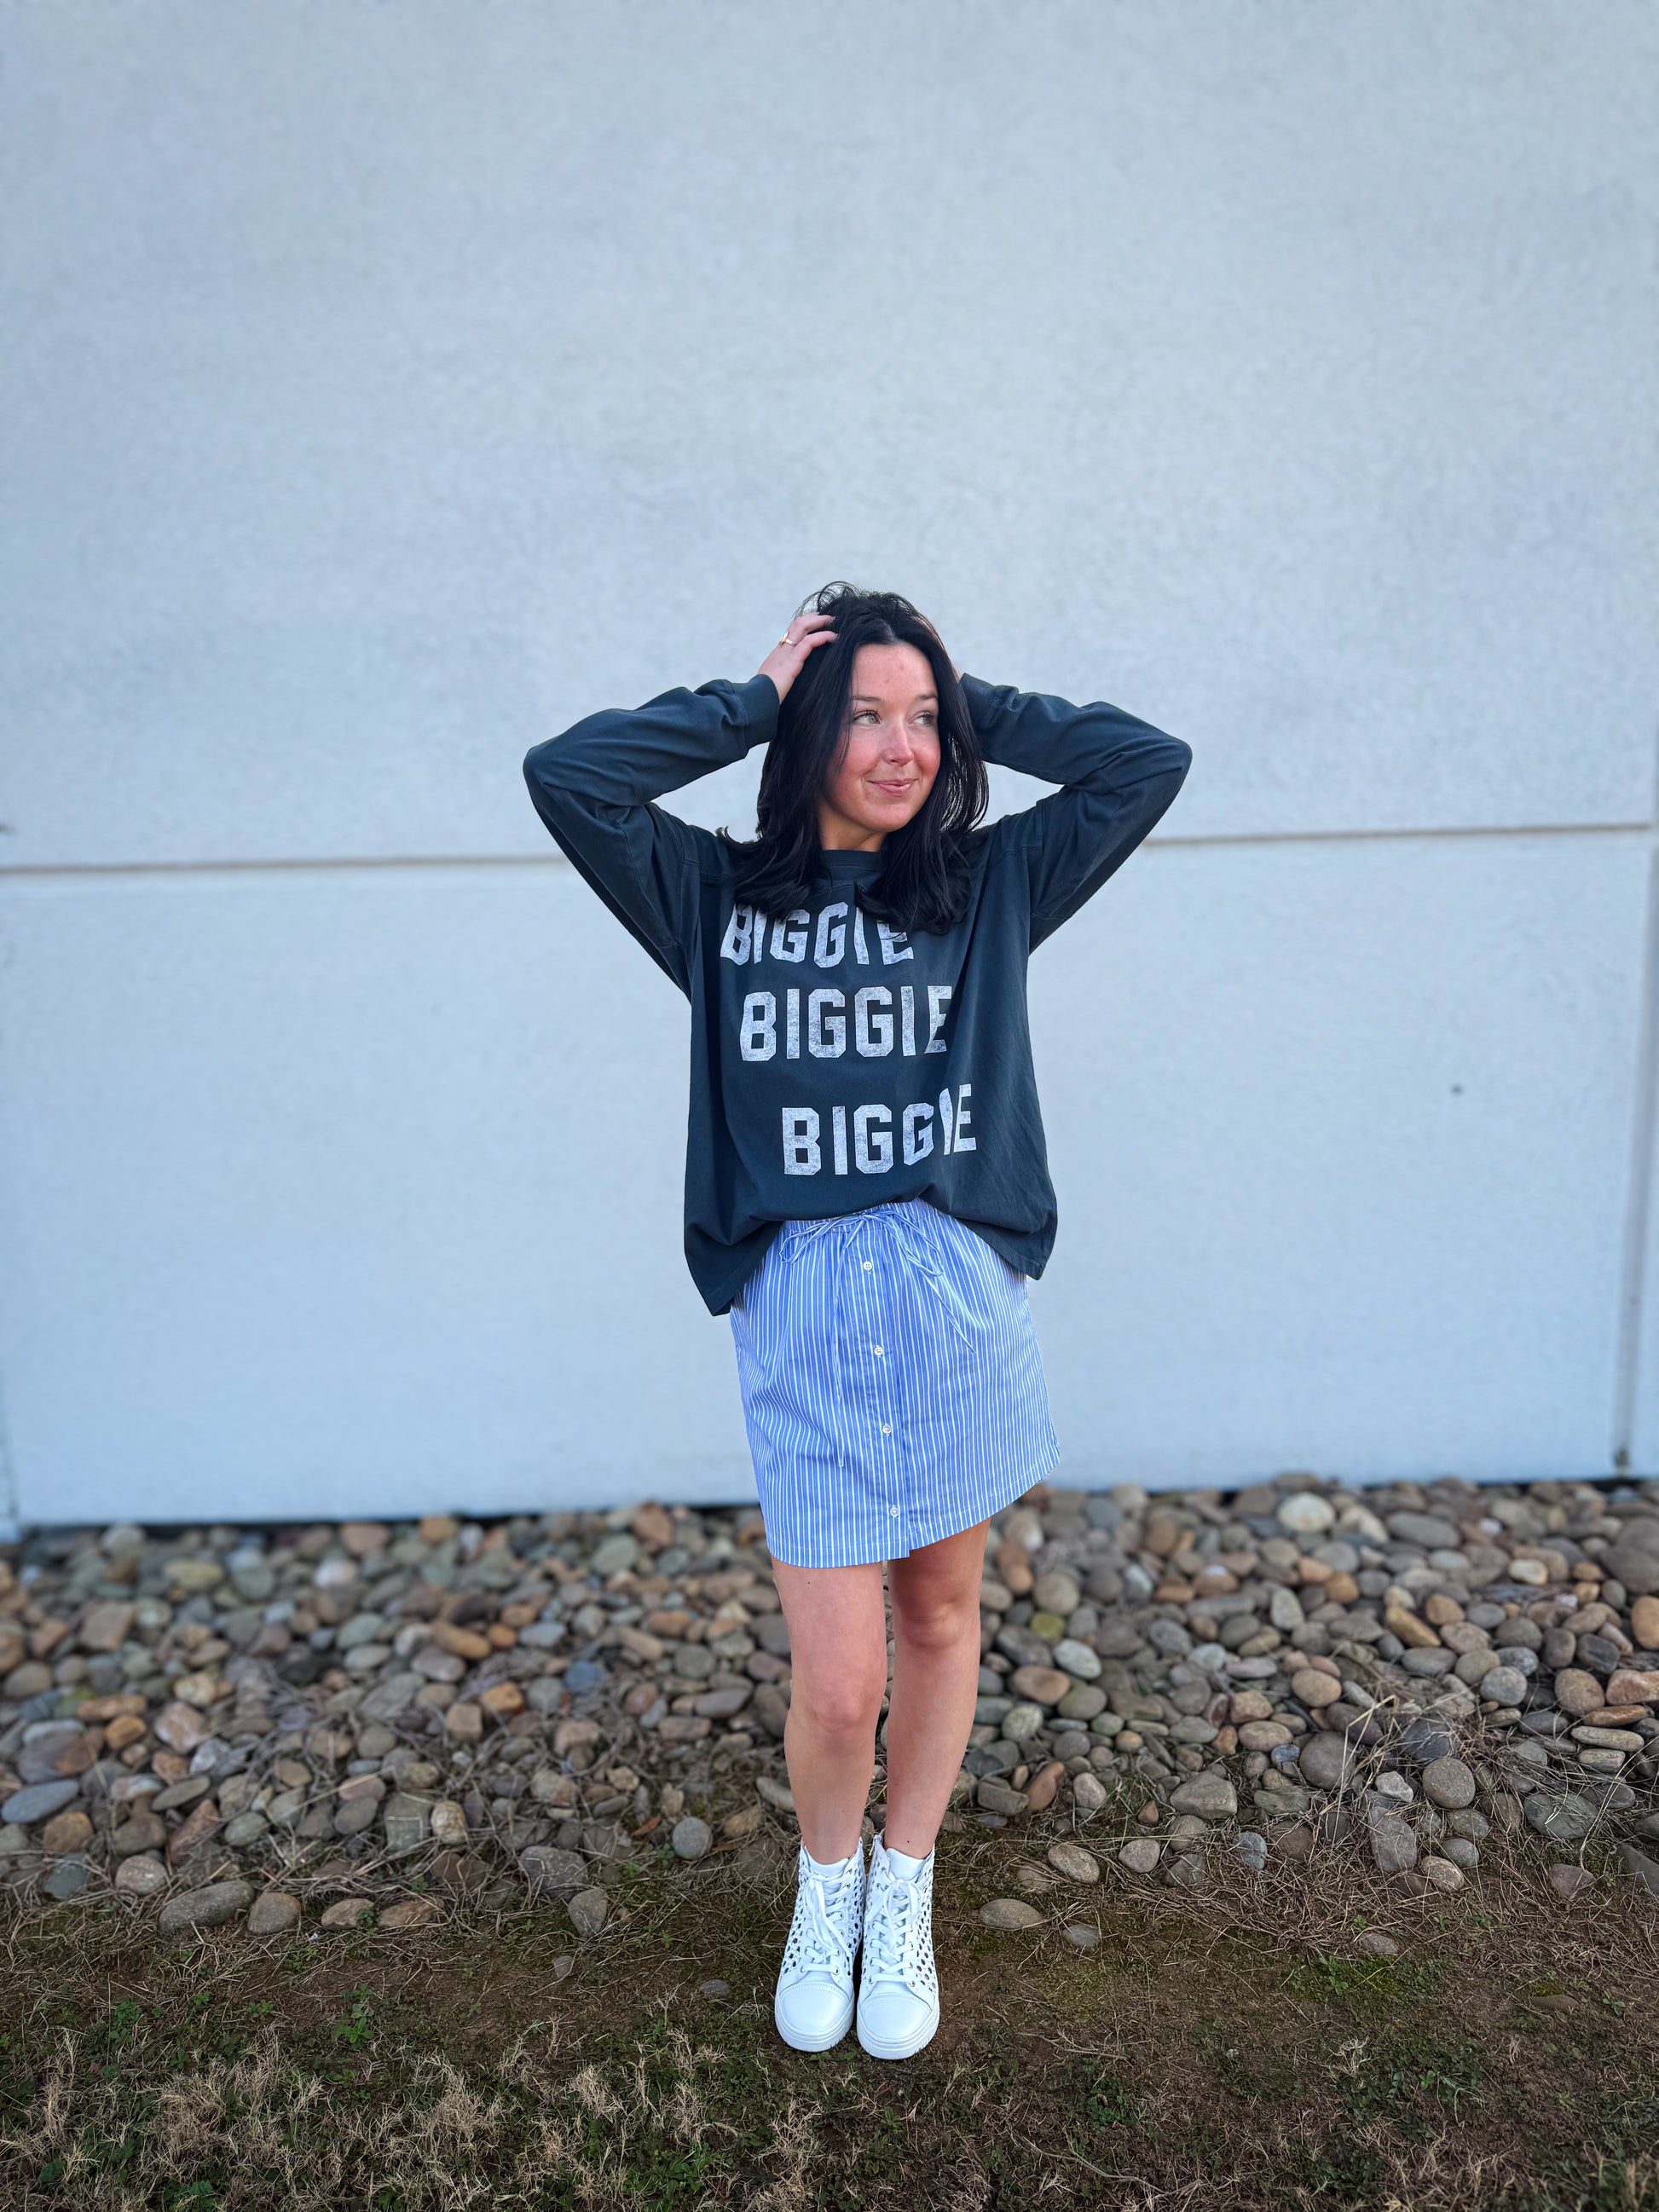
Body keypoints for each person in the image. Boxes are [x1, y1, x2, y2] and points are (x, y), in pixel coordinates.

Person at [523, 582, 1191, 2059]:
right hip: (805, 1307)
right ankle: (824, 1888)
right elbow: (567, 776)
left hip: (950, 1290)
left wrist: (967, 688)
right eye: (868, 716)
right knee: (834, 1684)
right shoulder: (709, 894)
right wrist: (755, 697)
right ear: (812, 729)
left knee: (940, 1613)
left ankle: (907, 1885)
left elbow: (1147, 763)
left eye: (924, 721)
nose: (901, 747)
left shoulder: (991, 879)